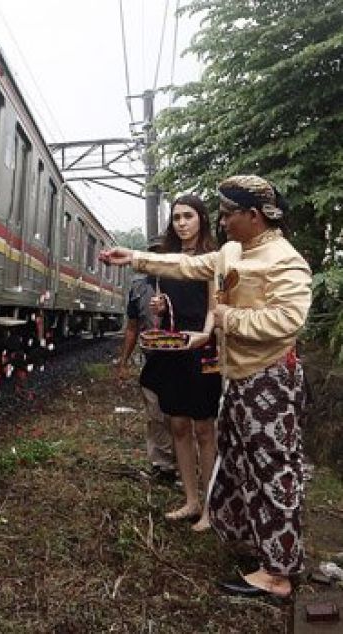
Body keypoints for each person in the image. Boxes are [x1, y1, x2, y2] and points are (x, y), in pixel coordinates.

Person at [101, 175, 312, 599]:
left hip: (270, 378)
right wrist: (136, 258)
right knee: (240, 462)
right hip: (239, 378)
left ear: (254, 216)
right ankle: (255, 542)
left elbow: (288, 322)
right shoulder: (233, 250)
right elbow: (187, 265)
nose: (223, 220)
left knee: (272, 469)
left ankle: (279, 573)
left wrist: (227, 319)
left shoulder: (284, 261)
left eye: (230, 213)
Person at [142, 195, 222, 532]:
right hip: (172, 346)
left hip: (203, 347)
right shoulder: (166, 260)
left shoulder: (213, 259)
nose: (181, 223)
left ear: (202, 218)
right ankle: (191, 500)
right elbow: (161, 309)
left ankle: (211, 506)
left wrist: (205, 335)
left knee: (204, 428)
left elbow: (215, 304)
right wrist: (158, 308)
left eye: (188, 216)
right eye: (176, 217)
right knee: (177, 424)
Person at [116, 235, 176, 484]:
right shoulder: (138, 287)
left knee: (180, 416)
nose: (157, 256)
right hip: (152, 357)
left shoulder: (182, 280)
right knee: (155, 412)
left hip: (181, 357)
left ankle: (184, 465)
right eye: (153, 252)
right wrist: (124, 360)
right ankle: (162, 465)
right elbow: (132, 327)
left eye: (161, 252)